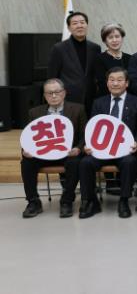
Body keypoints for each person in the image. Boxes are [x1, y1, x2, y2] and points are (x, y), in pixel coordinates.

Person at [78, 67, 137, 219]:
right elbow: (92, 127)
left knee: (129, 162)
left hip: (125, 150)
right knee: (85, 163)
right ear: (107, 83)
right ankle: (91, 201)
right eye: (112, 80)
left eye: (120, 80)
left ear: (127, 83)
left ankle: (124, 201)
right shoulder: (98, 103)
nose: (115, 83)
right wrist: (88, 145)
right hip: (101, 150)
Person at [20, 79, 87, 218]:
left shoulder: (78, 109)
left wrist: (78, 148)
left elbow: (85, 135)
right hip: (42, 153)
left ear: (64, 93)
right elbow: (27, 137)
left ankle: (67, 201)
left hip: (68, 153)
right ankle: (33, 202)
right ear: (44, 95)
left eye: (57, 92)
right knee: (26, 162)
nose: (54, 96)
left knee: (75, 162)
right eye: (49, 93)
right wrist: (26, 151)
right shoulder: (34, 112)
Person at [47, 11, 101, 112]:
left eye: (82, 22)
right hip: (68, 98)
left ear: (87, 25)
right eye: (75, 23)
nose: (79, 26)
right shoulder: (59, 48)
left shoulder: (95, 48)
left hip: (91, 98)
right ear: (69, 28)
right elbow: (52, 76)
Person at [94, 23, 131, 97]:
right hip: (106, 99)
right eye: (110, 37)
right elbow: (102, 84)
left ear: (122, 38)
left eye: (117, 36)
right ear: (105, 41)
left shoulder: (130, 58)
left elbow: (132, 82)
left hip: (128, 99)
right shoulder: (99, 59)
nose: (114, 40)